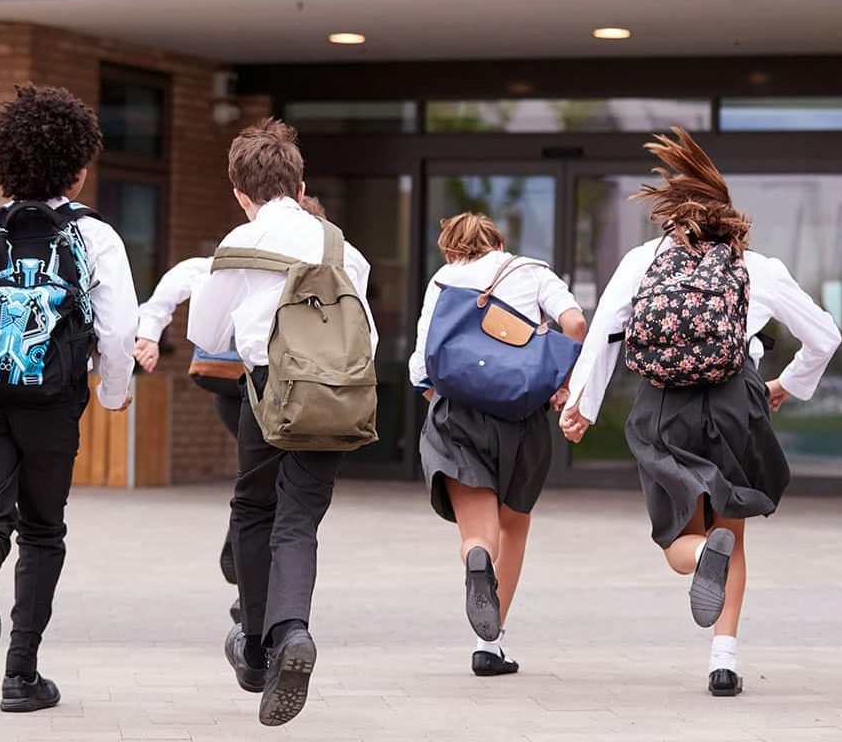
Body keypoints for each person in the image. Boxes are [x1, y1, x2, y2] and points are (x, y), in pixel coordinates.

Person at [560, 127, 841, 697]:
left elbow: (606, 335)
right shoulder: (758, 267)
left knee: (676, 543)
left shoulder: (645, 260)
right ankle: (725, 662)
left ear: (672, 215)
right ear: (727, 214)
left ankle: (697, 555)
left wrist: (582, 404)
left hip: (665, 407)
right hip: (737, 399)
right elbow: (826, 336)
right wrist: (786, 384)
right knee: (730, 529)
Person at [0, 85, 138, 713]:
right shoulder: (95, 237)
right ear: (77, 170)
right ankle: (20, 677)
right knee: (44, 530)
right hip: (49, 397)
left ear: (7, 164)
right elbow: (118, 327)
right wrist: (112, 393)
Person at [188, 120, 376, 726]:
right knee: (298, 519)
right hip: (336, 393)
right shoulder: (345, 248)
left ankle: (253, 647)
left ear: (242, 194)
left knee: (253, 507)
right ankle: (291, 629)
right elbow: (364, 329)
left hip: (269, 388)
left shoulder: (239, 243)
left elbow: (209, 336)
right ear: (301, 185)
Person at [134, 195, 331, 625]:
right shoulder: (331, 260)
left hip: (240, 387)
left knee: (260, 492)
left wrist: (150, 334)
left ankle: (250, 589)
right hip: (271, 391)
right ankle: (261, 601)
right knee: (277, 498)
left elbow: (186, 299)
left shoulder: (243, 252)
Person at [408, 212, 585, 676]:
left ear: (450, 247)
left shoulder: (443, 281)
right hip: (521, 416)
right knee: (514, 525)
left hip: (458, 415)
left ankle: (475, 558)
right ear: (498, 243)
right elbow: (575, 322)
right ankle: (492, 645)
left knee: (478, 532)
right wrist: (561, 383)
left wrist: (441, 397)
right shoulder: (532, 271)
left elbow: (421, 360)